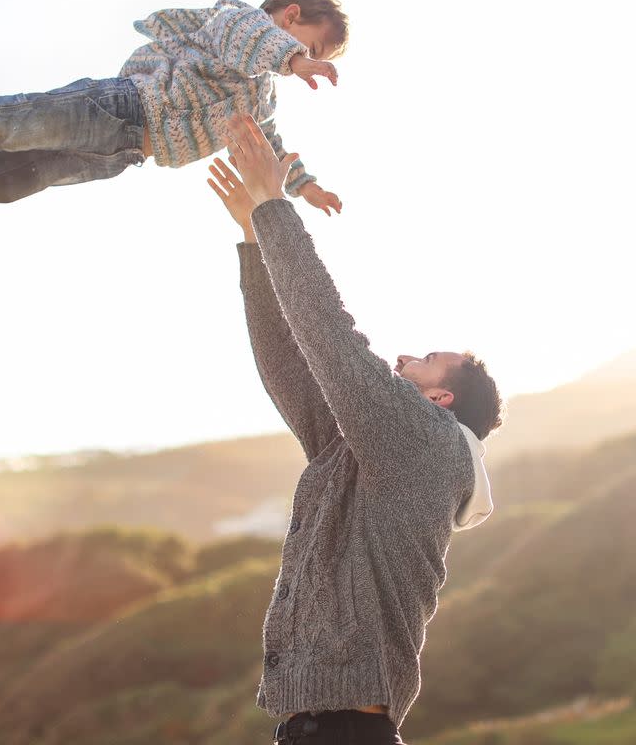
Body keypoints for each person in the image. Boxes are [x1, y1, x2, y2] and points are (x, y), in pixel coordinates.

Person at [207, 113, 502, 745]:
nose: (401, 360)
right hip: (313, 726)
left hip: (345, 730)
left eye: (421, 361)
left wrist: (276, 212)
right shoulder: (365, 450)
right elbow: (293, 364)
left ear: (441, 398)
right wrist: (256, 245)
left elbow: (333, 342)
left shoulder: (428, 443)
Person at [0, 0, 347, 233]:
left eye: (314, 58)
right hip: (123, 107)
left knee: (26, 175)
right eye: (313, 47)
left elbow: (270, 146)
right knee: (14, 123)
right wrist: (295, 60)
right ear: (291, 16)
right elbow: (252, 39)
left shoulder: (262, 95)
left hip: (126, 153)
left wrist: (307, 185)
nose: (309, 62)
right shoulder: (237, 22)